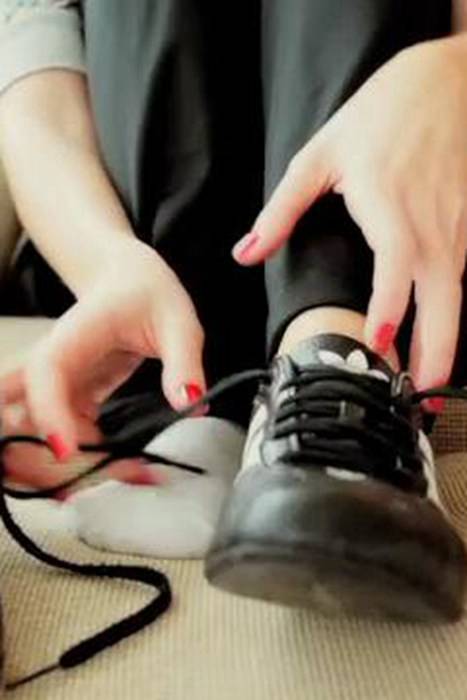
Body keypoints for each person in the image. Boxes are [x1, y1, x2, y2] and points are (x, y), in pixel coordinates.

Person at [1, 0, 467, 620]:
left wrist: (452, 69)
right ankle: (211, 401)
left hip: (414, 230)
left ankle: (340, 369)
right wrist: (110, 264)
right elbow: (37, 84)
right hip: (158, 254)